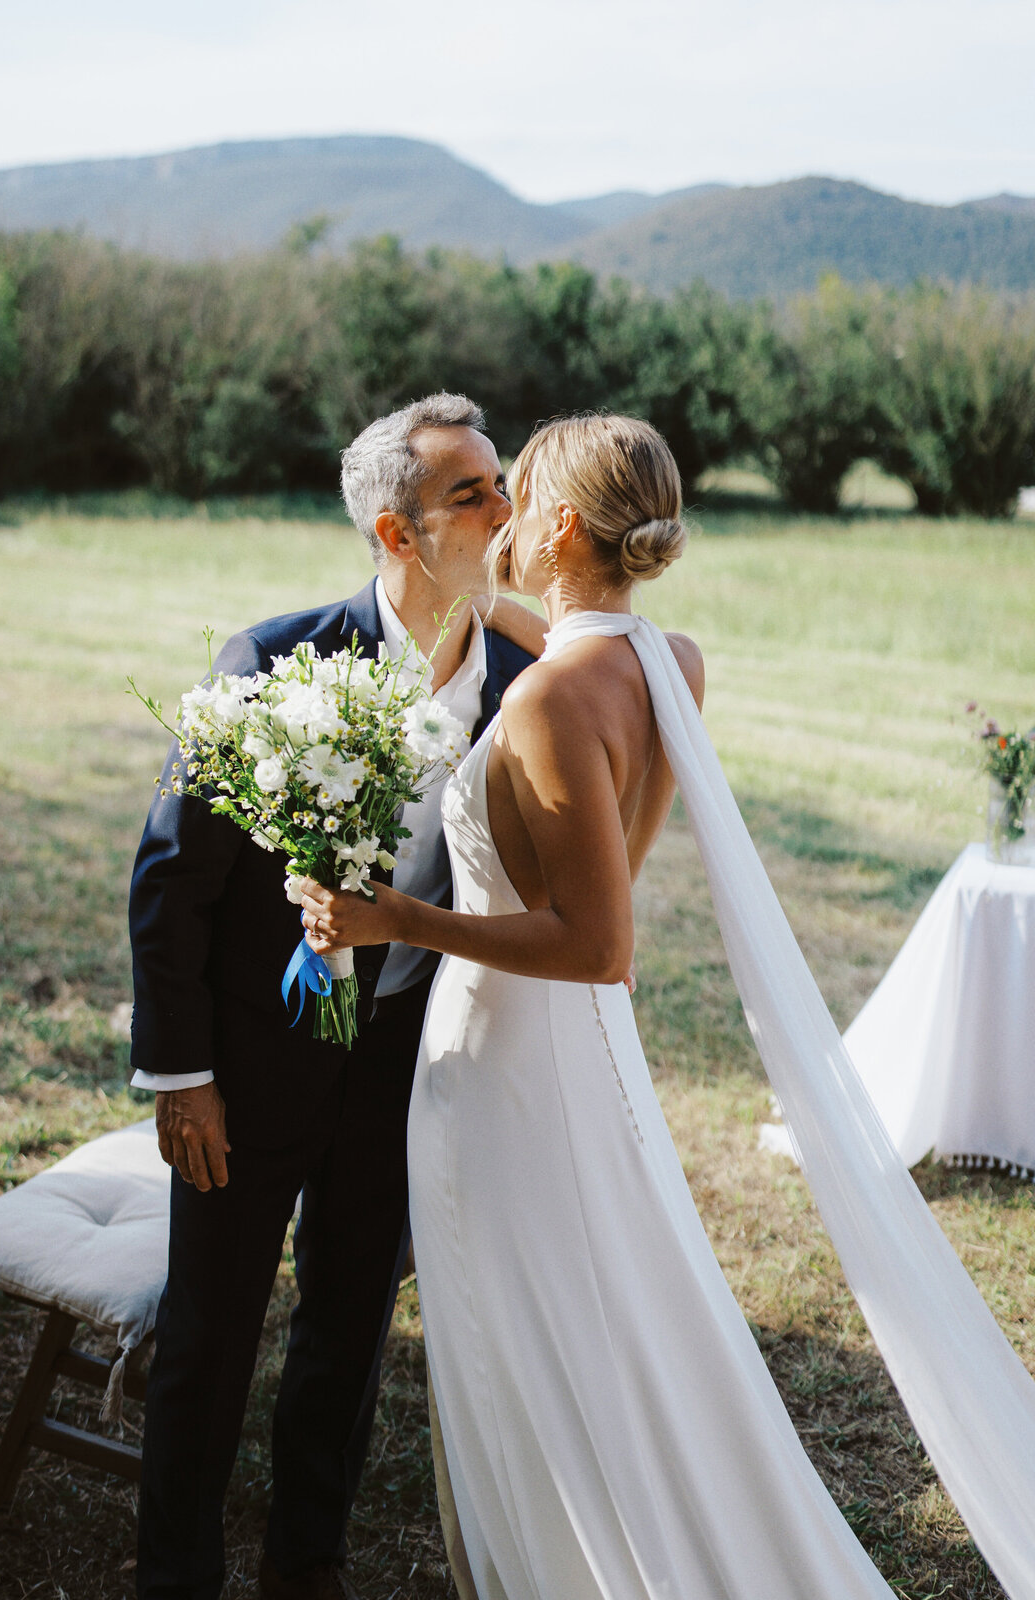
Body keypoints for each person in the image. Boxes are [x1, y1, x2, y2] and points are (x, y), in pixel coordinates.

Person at [293, 414, 940, 1598]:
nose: (496, 511)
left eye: (513, 490)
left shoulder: (546, 700)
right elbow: (606, 884)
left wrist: (400, 921)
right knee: (594, 1306)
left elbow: (599, 942)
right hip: (584, 1054)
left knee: (517, 1336)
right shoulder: (669, 660)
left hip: (498, 1057)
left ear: (552, 525)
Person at [129, 393, 544, 1600]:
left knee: (351, 1330)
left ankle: (305, 1562)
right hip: (249, 1065)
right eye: (473, 492)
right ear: (394, 531)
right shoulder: (272, 661)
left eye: (502, 481)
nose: (505, 504)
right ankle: (175, 1575)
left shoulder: (529, 682)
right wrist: (184, 1072)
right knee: (209, 1337)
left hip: (407, 1068)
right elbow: (173, 880)